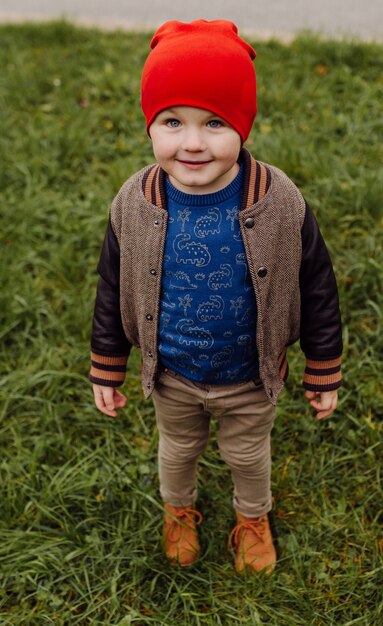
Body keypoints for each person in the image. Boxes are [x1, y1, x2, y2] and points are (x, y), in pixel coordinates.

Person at [89, 19, 343, 575]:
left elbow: (317, 286)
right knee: (177, 451)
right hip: (173, 373)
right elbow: (114, 286)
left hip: (249, 375)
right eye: (172, 121)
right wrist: (107, 366)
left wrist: (323, 368)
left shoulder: (280, 203)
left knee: (248, 456)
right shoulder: (134, 203)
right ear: (149, 126)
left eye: (216, 122)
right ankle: (178, 510)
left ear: (244, 127)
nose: (194, 142)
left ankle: (252, 519)